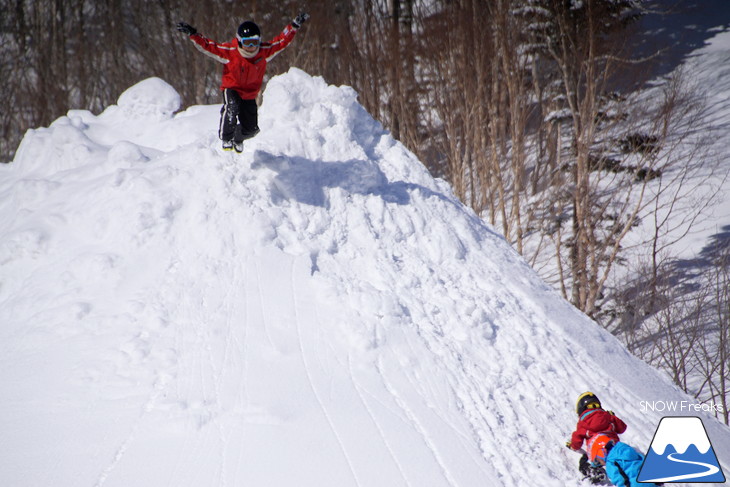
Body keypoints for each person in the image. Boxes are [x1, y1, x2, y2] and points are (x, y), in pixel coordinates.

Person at [176, 13, 309, 152]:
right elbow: (209, 46)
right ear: (239, 41)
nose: (251, 46)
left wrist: (293, 26)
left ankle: (237, 138)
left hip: (250, 94)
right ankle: (226, 138)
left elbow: (281, 41)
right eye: (247, 42)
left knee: (252, 129)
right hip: (232, 88)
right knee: (232, 107)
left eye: (254, 42)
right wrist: (194, 34)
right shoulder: (230, 52)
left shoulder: (263, 53)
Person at [566, 392, 661, 487]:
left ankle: (594, 472)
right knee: (630, 462)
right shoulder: (608, 416)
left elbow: (577, 441)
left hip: (598, 452)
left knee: (585, 461)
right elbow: (622, 428)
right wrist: (613, 417)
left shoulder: (583, 422)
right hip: (615, 447)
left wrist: (572, 446)